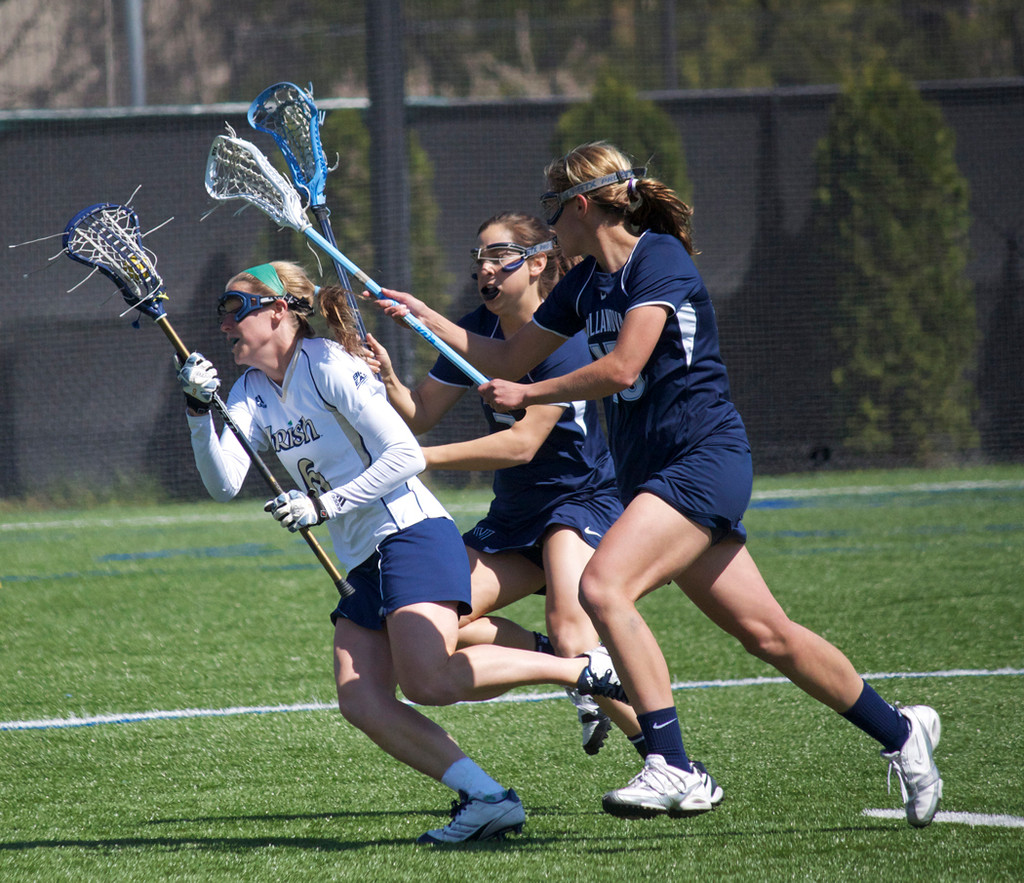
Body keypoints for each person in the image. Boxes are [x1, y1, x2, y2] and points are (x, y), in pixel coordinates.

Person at [372, 142, 943, 827]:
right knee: (769, 634)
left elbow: (620, 367)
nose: (550, 227)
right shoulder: (585, 285)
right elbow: (502, 355)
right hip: (657, 473)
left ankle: (675, 764)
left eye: (554, 210)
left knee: (602, 587)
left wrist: (532, 394)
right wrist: (426, 318)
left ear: (580, 206)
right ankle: (903, 731)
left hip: (703, 459)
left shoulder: (659, 260)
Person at [174, 259, 628, 845]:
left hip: (410, 533)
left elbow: (406, 455)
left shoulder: (331, 365)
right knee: (360, 697)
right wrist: (196, 413)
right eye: (221, 313)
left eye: (235, 310)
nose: (224, 325)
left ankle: (580, 669)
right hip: (363, 555)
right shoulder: (249, 392)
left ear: (279, 311)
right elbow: (224, 483)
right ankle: (488, 798)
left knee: (428, 682)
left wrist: (323, 505)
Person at [365, 211, 642, 758]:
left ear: (538, 263)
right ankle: (567, 669)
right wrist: (390, 381)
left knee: (570, 625)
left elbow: (521, 444)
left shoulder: (563, 336)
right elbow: (419, 413)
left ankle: (662, 755)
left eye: (498, 257)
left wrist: (417, 460)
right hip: (515, 514)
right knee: (435, 617)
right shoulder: (480, 330)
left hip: (577, 502)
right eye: (479, 260)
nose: (484, 270)